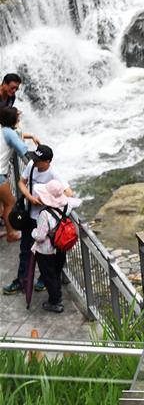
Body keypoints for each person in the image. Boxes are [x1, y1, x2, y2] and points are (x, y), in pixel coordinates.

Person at [3, 145, 73, 296]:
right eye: (34, 158)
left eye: (38, 160)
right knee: (25, 250)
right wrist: (30, 198)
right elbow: (22, 182)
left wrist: (49, 202)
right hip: (29, 215)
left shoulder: (54, 174)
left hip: (44, 220)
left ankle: (43, 280)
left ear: (47, 161)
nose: (34, 161)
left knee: (44, 254)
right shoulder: (32, 165)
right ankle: (22, 280)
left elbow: (69, 193)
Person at [30, 180, 81, 313]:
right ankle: (56, 291)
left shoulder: (44, 214)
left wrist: (33, 232)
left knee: (48, 275)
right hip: (60, 247)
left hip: (46, 251)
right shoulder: (67, 206)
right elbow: (78, 201)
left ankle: (55, 302)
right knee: (56, 271)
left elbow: (40, 236)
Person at [0, 106, 29, 242]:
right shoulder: (9, 133)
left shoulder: (2, 129)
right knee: (10, 203)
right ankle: (11, 233)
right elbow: (22, 149)